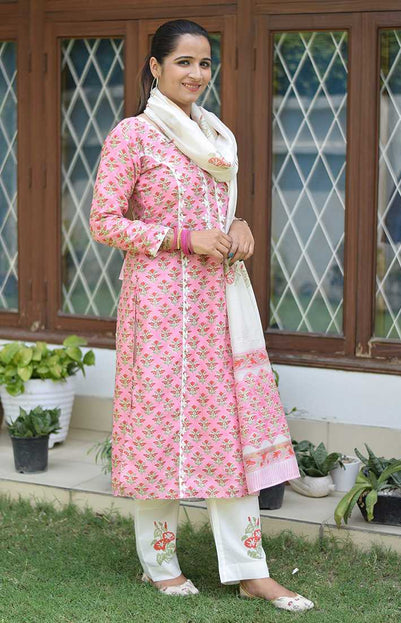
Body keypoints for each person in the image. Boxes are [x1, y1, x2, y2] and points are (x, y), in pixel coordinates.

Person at [89, 18, 314, 613]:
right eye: (183, 62)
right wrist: (183, 239)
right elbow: (104, 221)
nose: (195, 73)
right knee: (158, 425)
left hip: (217, 301)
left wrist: (237, 228)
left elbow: (224, 212)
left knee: (225, 426)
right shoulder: (133, 136)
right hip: (159, 302)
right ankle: (158, 563)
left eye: (205, 63)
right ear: (156, 67)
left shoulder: (218, 136)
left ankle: (248, 569)